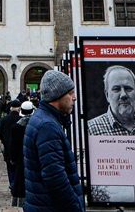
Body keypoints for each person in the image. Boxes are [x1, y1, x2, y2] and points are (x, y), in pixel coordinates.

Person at [22, 71, 84, 212]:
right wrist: (75, 207)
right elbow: (55, 177)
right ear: (57, 95)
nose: (74, 97)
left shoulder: (44, 119)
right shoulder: (47, 126)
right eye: (70, 93)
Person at [86, 65, 135, 136]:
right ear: (107, 95)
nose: (123, 95)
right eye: (116, 89)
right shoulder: (90, 129)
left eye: (128, 88)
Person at [9, 100, 33, 208]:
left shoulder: (16, 127)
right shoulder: (35, 124)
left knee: (21, 181)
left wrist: (12, 158)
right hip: (32, 156)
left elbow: (13, 145)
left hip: (20, 158)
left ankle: (21, 202)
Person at [0, 100, 22, 202]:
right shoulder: (20, 119)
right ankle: (15, 185)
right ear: (19, 108)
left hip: (8, 147)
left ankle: (12, 184)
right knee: (18, 167)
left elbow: (1, 133)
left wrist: (4, 141)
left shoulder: (4, 119)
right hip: (19, 147)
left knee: (10, 167)